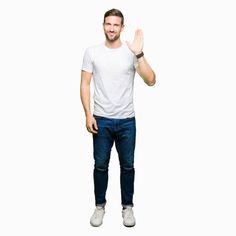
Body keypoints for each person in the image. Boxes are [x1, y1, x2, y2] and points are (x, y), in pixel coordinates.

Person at [80, 8, 156, 227]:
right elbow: (84, 84)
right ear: (103, 25)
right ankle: (99, 206)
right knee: (100, 165)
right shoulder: (91, 52)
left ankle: (128, 207)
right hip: (100, 120)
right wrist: (87, 115)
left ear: (122, 27)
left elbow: (151, 81)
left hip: (126, 121)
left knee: (128, 166)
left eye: (116, 24)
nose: (111, 28)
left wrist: (139, 54)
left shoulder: (131, 52)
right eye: (108, 24)